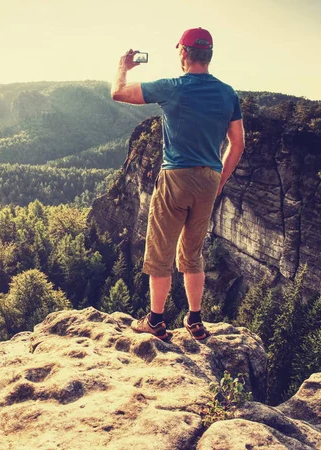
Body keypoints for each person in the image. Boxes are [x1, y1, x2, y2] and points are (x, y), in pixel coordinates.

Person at [111, 27, 245, 342]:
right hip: (209, 179)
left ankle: (156, 322)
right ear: (208, 55)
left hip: (175, 177)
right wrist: (219, 179)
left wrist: (122, 67)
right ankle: (195, 321)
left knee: (160, 250)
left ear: (183, 53)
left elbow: (118, 93)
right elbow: (237, 144)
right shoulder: (227, 93)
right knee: (193, 252)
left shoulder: (174, 87)